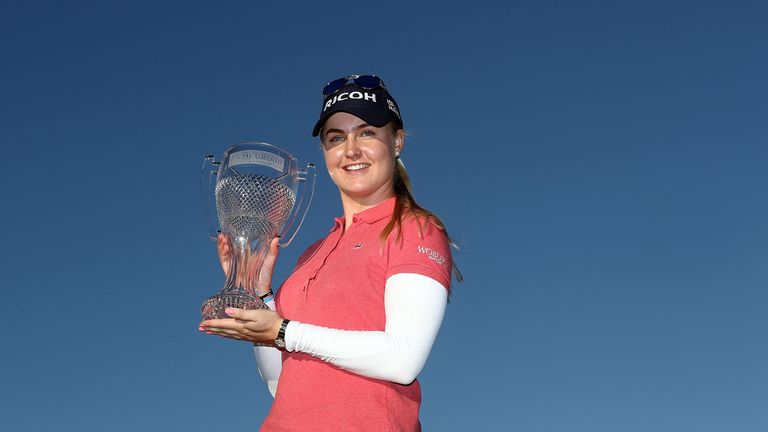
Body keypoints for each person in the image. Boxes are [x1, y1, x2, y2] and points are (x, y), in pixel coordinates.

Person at [200, 74, 461, 431]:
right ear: (325, 153)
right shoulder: (311, 254)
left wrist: (281, 330)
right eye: (335, 138)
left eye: (366, 132)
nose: (350, 149)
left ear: (396, 141)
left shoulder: (415, 228)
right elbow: (281, 383)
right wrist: (261, 296)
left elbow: (403, 358)